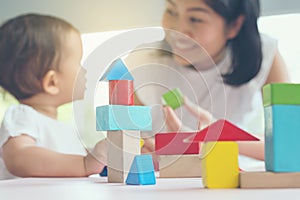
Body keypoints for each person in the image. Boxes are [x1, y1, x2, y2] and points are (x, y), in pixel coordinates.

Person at [126, 0, 290, 161]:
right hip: (164, 182)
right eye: (171, 11)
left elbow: (289, 145)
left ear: (234, 25)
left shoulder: (263, 55)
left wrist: (219, 136)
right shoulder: (142, 62)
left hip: (231, 175)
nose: (178, 30)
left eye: (196, 19)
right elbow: (129, 140)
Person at [0, 14, 107, 179]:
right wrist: (84, 164)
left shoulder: (62, 127)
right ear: (52, 82)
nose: (84, 70)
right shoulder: (22, 115)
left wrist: (106, 156)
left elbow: (73, 158)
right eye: (78, 61)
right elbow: (19, 157)